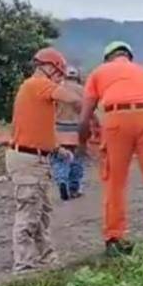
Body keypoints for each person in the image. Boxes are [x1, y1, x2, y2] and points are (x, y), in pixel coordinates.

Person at [78, 41, 143, 256]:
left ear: (108, 57)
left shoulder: (99, 72)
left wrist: (82, 142)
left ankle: (115, 239)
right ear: (129, 57)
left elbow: (85, 115)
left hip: (117, 120)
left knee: (114, 183)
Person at [6, 47, 82, 274]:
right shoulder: (37, 85)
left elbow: (36, 129)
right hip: (28, 160)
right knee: (29, 214)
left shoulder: (35, 91)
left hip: (36, 157)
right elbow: (71, 98)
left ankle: (46, 259)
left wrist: (58, 149)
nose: (60, 79)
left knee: (41, 213)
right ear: (47, 68)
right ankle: (24, 266)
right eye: (58, 74)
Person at [51, 66, 86, 200]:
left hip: (59, 128)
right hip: (76, 128)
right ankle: (74, 188)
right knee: (77, 159)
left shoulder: (57, 89)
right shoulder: (83, 91)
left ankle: (62, 180)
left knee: (61, 158)